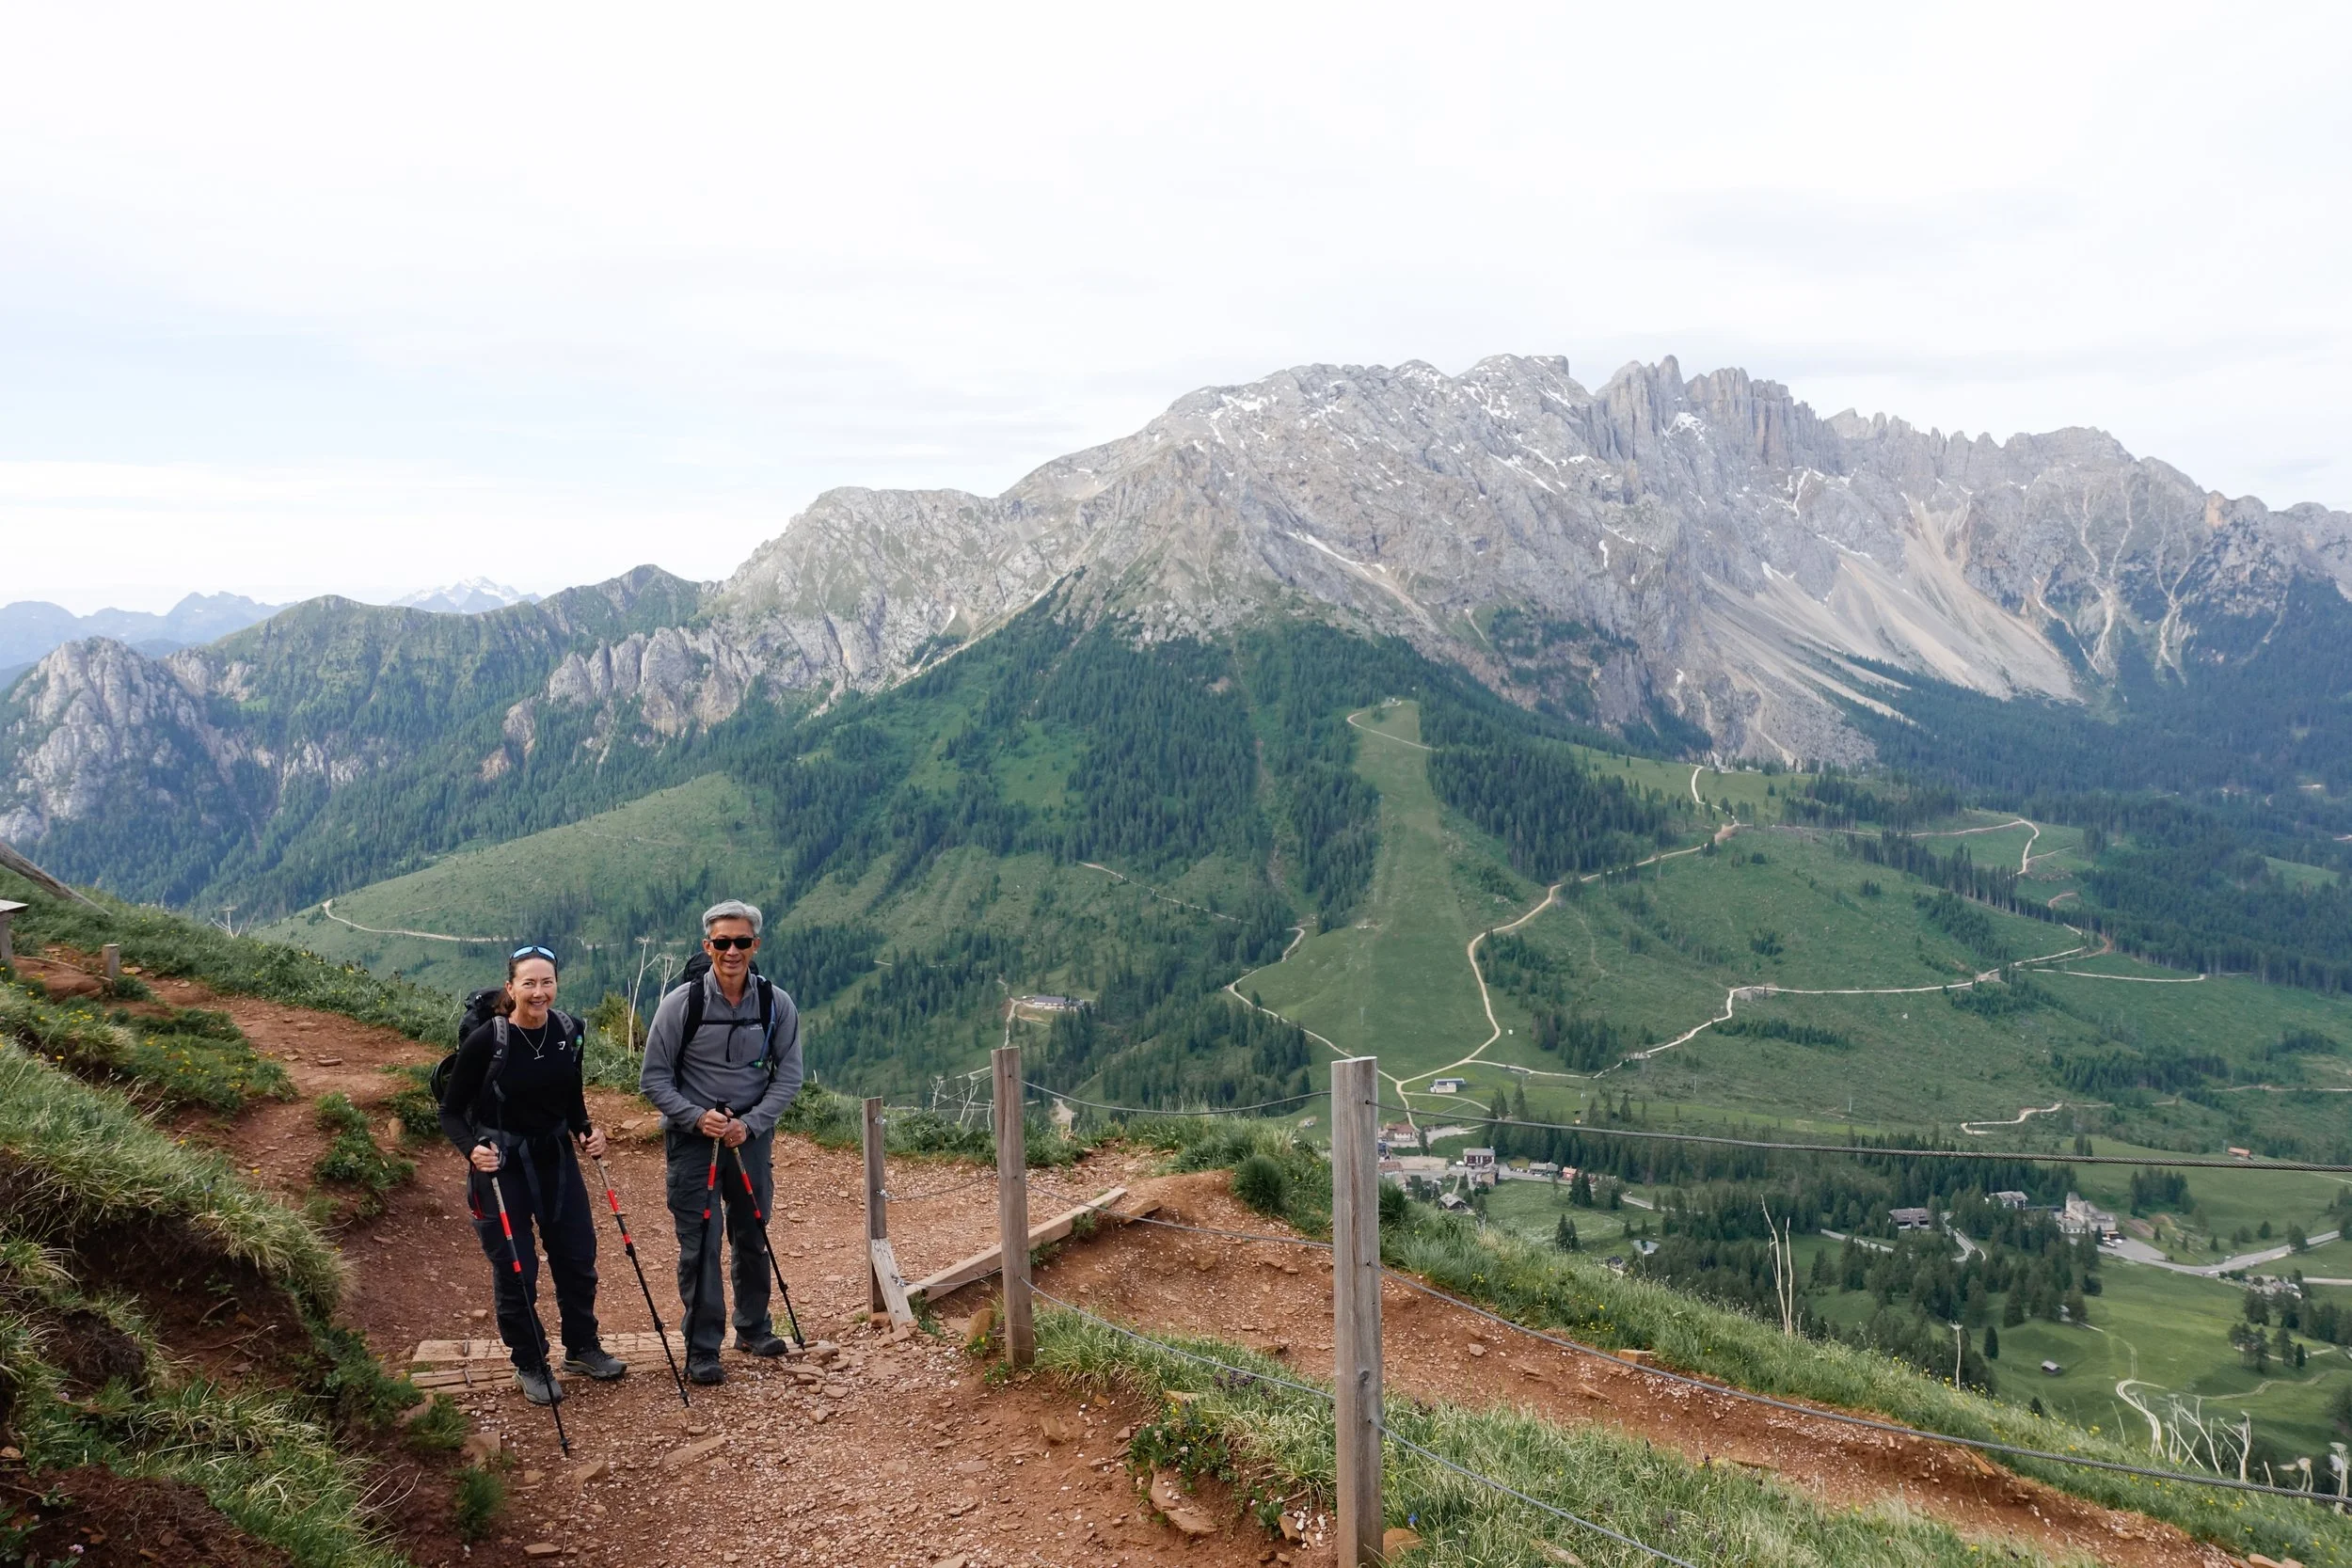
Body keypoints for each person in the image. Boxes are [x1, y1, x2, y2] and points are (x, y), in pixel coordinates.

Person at [438, 944, 627, 1404]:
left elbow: (571, 1100)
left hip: (556, 1159)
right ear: (511, 987)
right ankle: (530, 1361)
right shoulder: (488, 1039)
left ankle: (582, 1347)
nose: (539, 992)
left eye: (547, 982)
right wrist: (473, 1152)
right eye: (529, 983)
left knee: (577, 1258)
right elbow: (449, 1112)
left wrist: (587, 1131)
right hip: (500, 1165)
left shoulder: (570, 1031)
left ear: (556, 984)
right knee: (516, 1267)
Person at [639, 900, 803, 1385]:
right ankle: (701, 1348)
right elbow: (654, 1079)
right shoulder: (682, 1004)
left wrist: (750, 1125)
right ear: (707, 946)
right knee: (702, 1244)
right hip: (696, 1142)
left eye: (742, 941)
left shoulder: (776, 1003)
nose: (732, 951)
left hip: (748, 1138)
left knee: (753, 1234)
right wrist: (696, 1118)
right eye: (722, 942)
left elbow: (788, 1076)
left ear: (756, 944)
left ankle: (753, 1328)